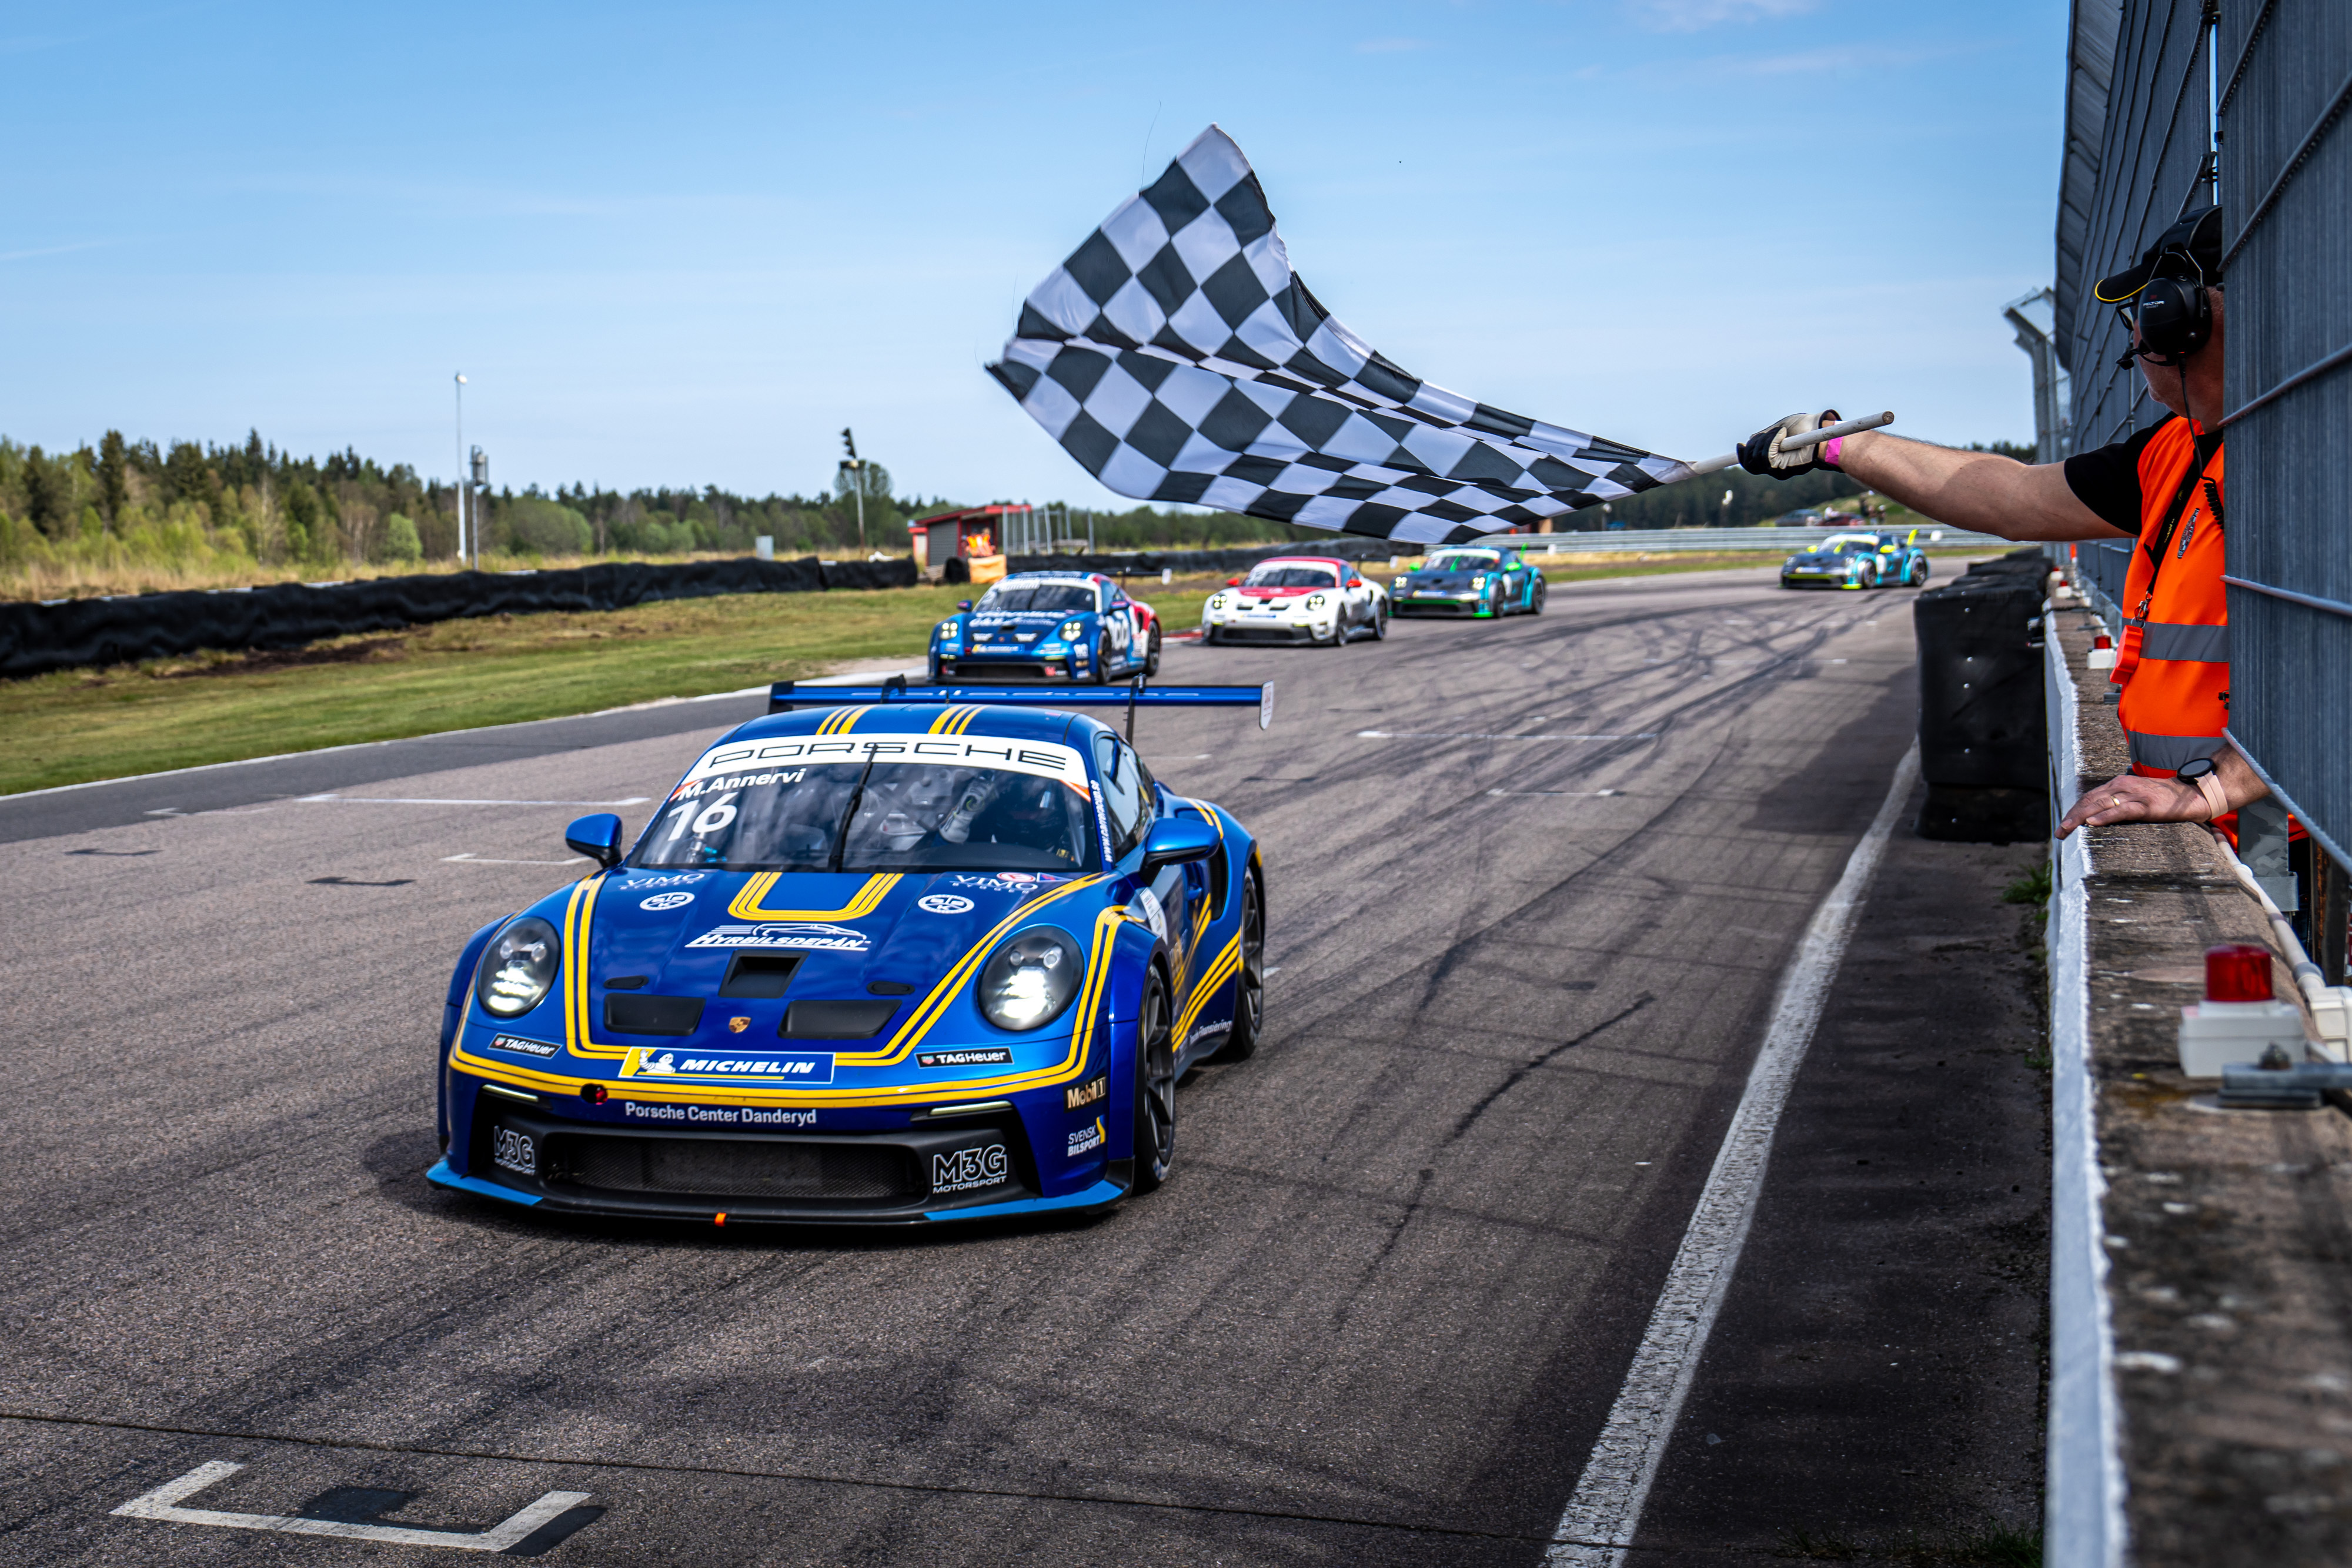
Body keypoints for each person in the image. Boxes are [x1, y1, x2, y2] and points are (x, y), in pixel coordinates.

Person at [1736, 205, 2261, 844]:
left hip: (2290, 853)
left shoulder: (2308, 456)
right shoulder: (2171, 452)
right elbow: (2012, 497)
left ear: (2182, 319)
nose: (2135, 339)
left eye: (2144, 314)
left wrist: (2217, 787)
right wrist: (1838, 445)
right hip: (2213, 828)